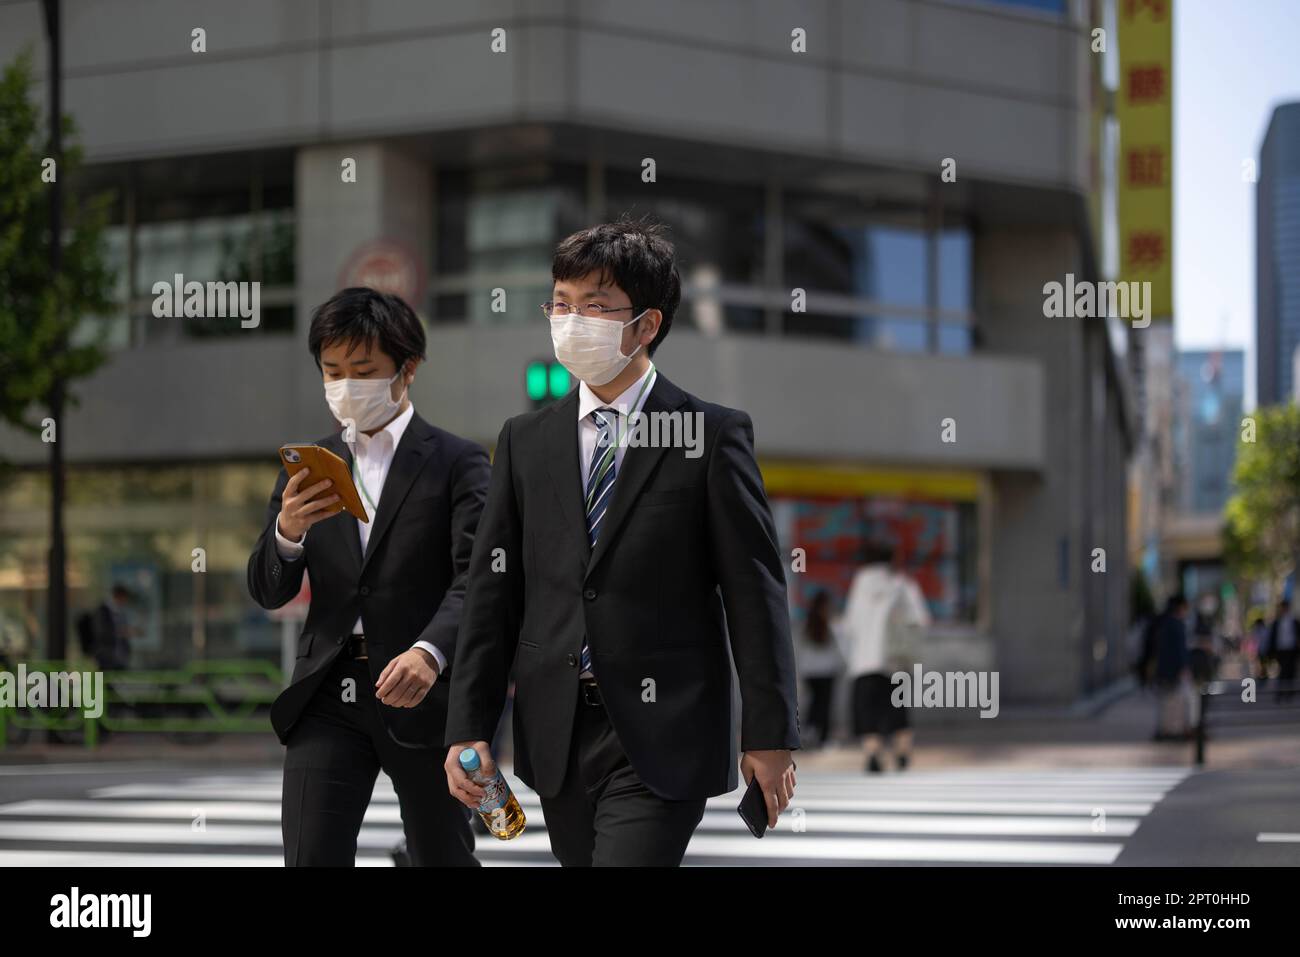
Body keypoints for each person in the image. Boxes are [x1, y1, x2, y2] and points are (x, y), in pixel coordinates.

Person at [443, 217, 800, 866]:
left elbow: (755, 589)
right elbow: (493, 594)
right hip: (556, 731)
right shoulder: (525, 442)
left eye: (595, 306)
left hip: (667, 730)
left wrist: (769, 733)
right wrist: (468, 728)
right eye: (560, 303)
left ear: (647, 325)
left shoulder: (710, 436)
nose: (570, 320)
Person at [247, 287, 491, 866]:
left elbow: (478, 579)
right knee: (311, 856)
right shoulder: (307, 466)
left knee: (442, 856)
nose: (345, 385)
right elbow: (267, 588)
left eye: (363, 370)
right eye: (332, 371)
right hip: (329, 689)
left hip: (424, 691)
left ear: (408, 370)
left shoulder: (458, 461)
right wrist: (287, 531)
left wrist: (430, 652)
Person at [838, 542, 931, 773]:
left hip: (864, 661)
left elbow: (849, 625)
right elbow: (920, 620)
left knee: (867, 709)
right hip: (896, 660)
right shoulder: (902, 584)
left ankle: (873, 754)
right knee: (898, 708)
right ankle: (902, 753)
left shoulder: (860, 584)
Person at [796, 590, 843, 748]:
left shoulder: (807, 623)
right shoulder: (829, 623)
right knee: (824, 705)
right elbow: (839, 645)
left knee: (815, 703)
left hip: (810, 671)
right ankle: (823, 738)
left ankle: (811, 732)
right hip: (826, 670)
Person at [1152, 594, 1191, 741]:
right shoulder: (1177, 624)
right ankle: (1174, 731)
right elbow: (1180, 649)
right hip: (1174, 671)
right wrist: (1184, 667)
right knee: (1177, 701)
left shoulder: (1162, 623)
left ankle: (1164, 730)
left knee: (1165, 701)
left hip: (1163, 669)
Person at [78, 584, 133, 672]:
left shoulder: (118, 612)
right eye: (124, 598)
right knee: (104, 680)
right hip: (105, 657)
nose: (124, 601)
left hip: (117, 658)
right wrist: (121, 632)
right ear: (119, 596)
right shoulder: (103, 611)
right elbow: (101, 633)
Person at [1265, 598, 1298, 701]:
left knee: (1291, 670)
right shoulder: (1277, 622)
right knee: (1283, 671)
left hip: (1291, 649)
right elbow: (1273, 637)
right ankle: (1281, 692)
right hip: (1281, 649)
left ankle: (1289, 692)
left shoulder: (1293, 621)